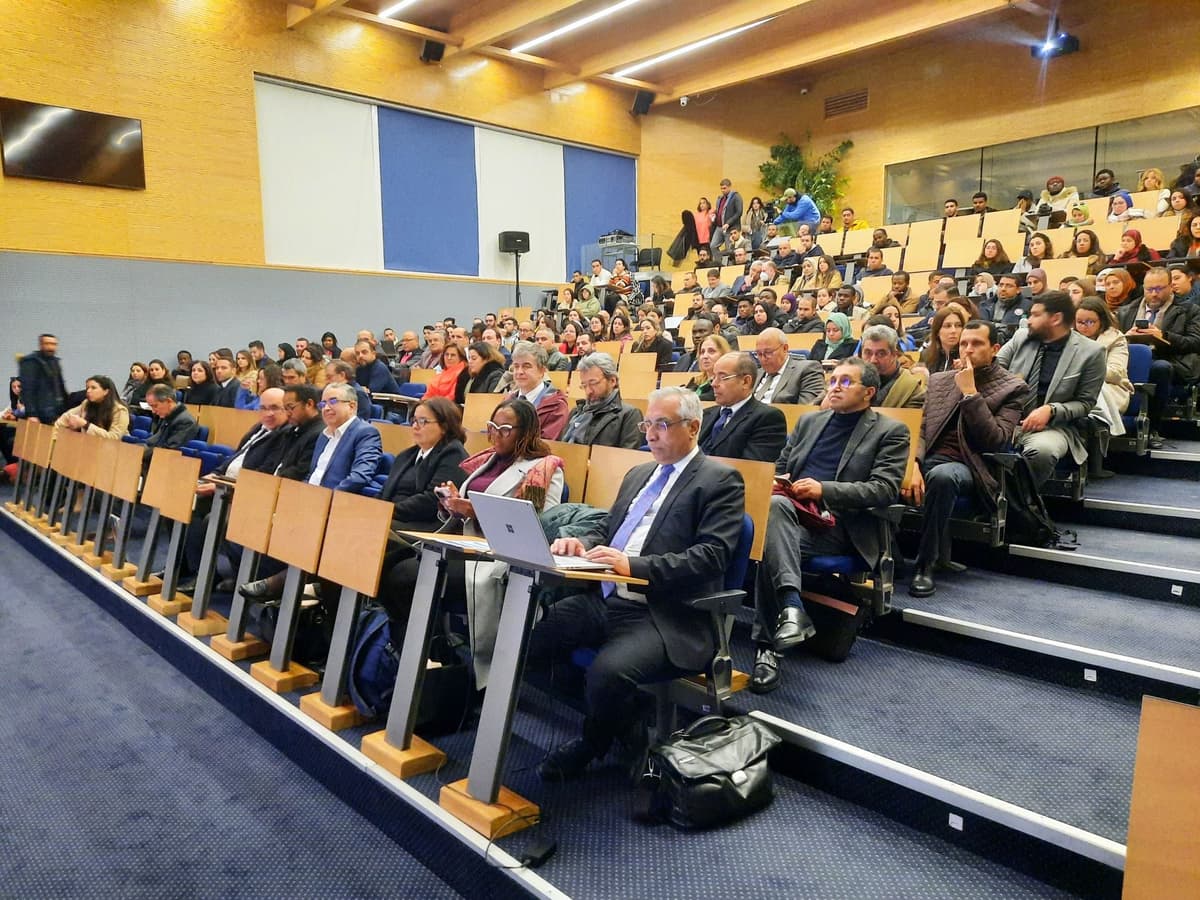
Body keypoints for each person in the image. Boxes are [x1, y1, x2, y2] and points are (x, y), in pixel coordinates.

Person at [532, 388, 744, 778]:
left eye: (662, 425)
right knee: (530, 641)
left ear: (694, 427)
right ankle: (627, 723)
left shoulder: (720, 480)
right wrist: (584, 543)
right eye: (647, 424)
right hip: (608, 599)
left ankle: (592, 743)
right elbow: (609, 528)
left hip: (665, 613)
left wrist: (635, 566)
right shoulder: (639, 473)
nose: (650, 433)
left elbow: (712, 556)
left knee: (607, 673)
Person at [752, 359, 909, 693]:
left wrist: (824, 490)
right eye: (832, 380)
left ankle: (768, 646)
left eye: (845, 382)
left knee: (769, 535)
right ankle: (790, 610)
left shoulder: (890, 431)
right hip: (792, 515)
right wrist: (781, 480)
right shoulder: (810, 421)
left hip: (839, 527)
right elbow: (780, 464)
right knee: (774, 516)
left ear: (868, 392)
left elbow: (884, 489)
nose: (834, 386)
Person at [905, 321, 1030, 597]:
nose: (968, 349)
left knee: (941, 476)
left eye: (977, 344)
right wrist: (912, 464)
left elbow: (996, 440)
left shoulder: (1013, 387)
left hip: (970, 465)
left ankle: (925, 564)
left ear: (995, 348)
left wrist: (971, 393)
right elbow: (922, 430)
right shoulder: (939, 380)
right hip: (928, 459)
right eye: (964, 343)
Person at [996, 292, 1106, 485]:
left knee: (1042, 452)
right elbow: (994, 369)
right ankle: (998, 502)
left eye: (1036, 315)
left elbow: (1086, 403)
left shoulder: (1091, 352)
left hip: (1054, 427)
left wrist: (1052, 410)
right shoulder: (1021, 338)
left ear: (1056, 318)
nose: (1029, 321)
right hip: (1004, 421)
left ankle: (1017, 505)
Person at [1114, 267, 1200, 449]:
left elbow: (1195, 342)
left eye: (1159, 289)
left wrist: (1164, 336)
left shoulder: (1189, 310)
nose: (1153, 294)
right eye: (1149, 289)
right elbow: (1110, 339)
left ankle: (1152, 428)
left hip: (1172, 361)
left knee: (1160, 368)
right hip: (1130, 360)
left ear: (1170, 287)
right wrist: (1125, 337)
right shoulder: (1126, 311)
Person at [1075, 298, 1133, 477]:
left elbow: (1116, 373)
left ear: (1102, 321)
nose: (1084, 327)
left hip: (1110, 388)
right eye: (1080, 322)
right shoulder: (1069, 338)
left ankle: (1093, 462)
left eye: (1090, 322)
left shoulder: (1116, 338)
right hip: (1074, 386)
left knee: (1091, 391)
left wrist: (1085, 369)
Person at [699, 352, 786, 462]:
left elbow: (751, 468)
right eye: (714, 377)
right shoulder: (705, 414)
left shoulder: (768, 418)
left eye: (723, 377)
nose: (714, 384)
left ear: (745, 381)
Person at [304, 383, 383, 493]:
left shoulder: (366, 433)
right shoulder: (323, 435)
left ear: (352, 406)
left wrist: (327, 498)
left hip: (337, 501)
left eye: (333, 401)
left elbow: (359, 476)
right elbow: (313, 474)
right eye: (323, 404)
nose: (326, 408)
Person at [560, 353, 643, 449]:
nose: (588, 391)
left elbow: (626, 458)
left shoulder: (630, 415)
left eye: (593, 383)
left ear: (612, 381)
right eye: (584, 385)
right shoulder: (576, 412)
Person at [504, 341, 569, 440]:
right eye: (516, 366)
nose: (519, 372)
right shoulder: (508, 401)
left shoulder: (556, 406)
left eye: (526, 366)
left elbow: (545, 444)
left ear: (542, 371)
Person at [858, 325, 926, 409]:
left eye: (881, 354)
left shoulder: (912, 390)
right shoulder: (852, 381)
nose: (873, 360)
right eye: (868, 353)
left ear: (895, 354)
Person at [753, 327, 824, 404]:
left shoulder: (808, 370)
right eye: (759, 354)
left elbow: (805, 410)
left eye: (768, 352)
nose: (763, 359)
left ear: (785, 348)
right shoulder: (756, 374)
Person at [53, 375, 129, 439]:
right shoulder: (86, 403)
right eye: (87, 388)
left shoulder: (120, 410)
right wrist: (54, 437)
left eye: (93, 388)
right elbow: (64, 419)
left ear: (106, 391)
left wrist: (85, 425)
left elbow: (114, 437)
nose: (88, 391)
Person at [142, 384, 199, 466]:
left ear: (168, 401)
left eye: (155, 406)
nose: (153, 411)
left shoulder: (186, 422)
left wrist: (140, 453)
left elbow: (168, 450)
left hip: (168, 466)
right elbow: (153, 441)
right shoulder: (167, 415)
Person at [18, 334, 68, 423]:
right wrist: (31, 414)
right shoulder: (31, 361)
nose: (51, 347)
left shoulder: (55, 361)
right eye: (47, 343)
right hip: (40, 412)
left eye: (54, 344)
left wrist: (65, 408)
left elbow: (60, 387)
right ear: (41, 345)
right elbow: (27, 389)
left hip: (56, 410)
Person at [920, 302, 971, 375]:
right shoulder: (926, 355)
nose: (953, 331)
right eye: (947, 326)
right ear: (937, 331)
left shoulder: (968, 355)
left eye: (958, 325)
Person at [979, 273, 1031, 343]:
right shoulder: (985, 305)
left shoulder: (1028, 306)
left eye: (1009, 286)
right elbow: (981, 327)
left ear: (1018, 290)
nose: (1003, 289)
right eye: (1001, 285)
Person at [688, 334, 731, 401]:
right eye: (702, 352)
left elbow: (712, 397)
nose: (705, 356)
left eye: (711, 351)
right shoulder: (696, 380)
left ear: (723, 354)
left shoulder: (727, 381)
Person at [710, 178, 744, 253]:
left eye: (724, 188)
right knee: (713, 246)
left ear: (729, 187)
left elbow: (739, 212)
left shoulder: (736, 197)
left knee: (730, 249)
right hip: (719, 227)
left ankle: (729, 264)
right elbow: (720, 211)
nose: (723, 190)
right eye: (721, 188)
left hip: (731, 228)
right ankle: (719, 263)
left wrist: (728, 223)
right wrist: (714, 214)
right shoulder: (720, 198)